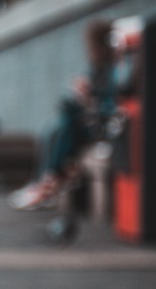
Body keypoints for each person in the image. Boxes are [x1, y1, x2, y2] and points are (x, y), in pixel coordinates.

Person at [8, 19, 122, 211]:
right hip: (88, 122)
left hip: (102, 126)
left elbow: (113, 106)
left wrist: (90, 102)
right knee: (53, 129)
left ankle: (48, 181)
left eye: (91, 44)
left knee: (65, 126)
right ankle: (45, 180)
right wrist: (84, 93)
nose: (88, 49)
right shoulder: (97, 68)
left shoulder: (115, 69)